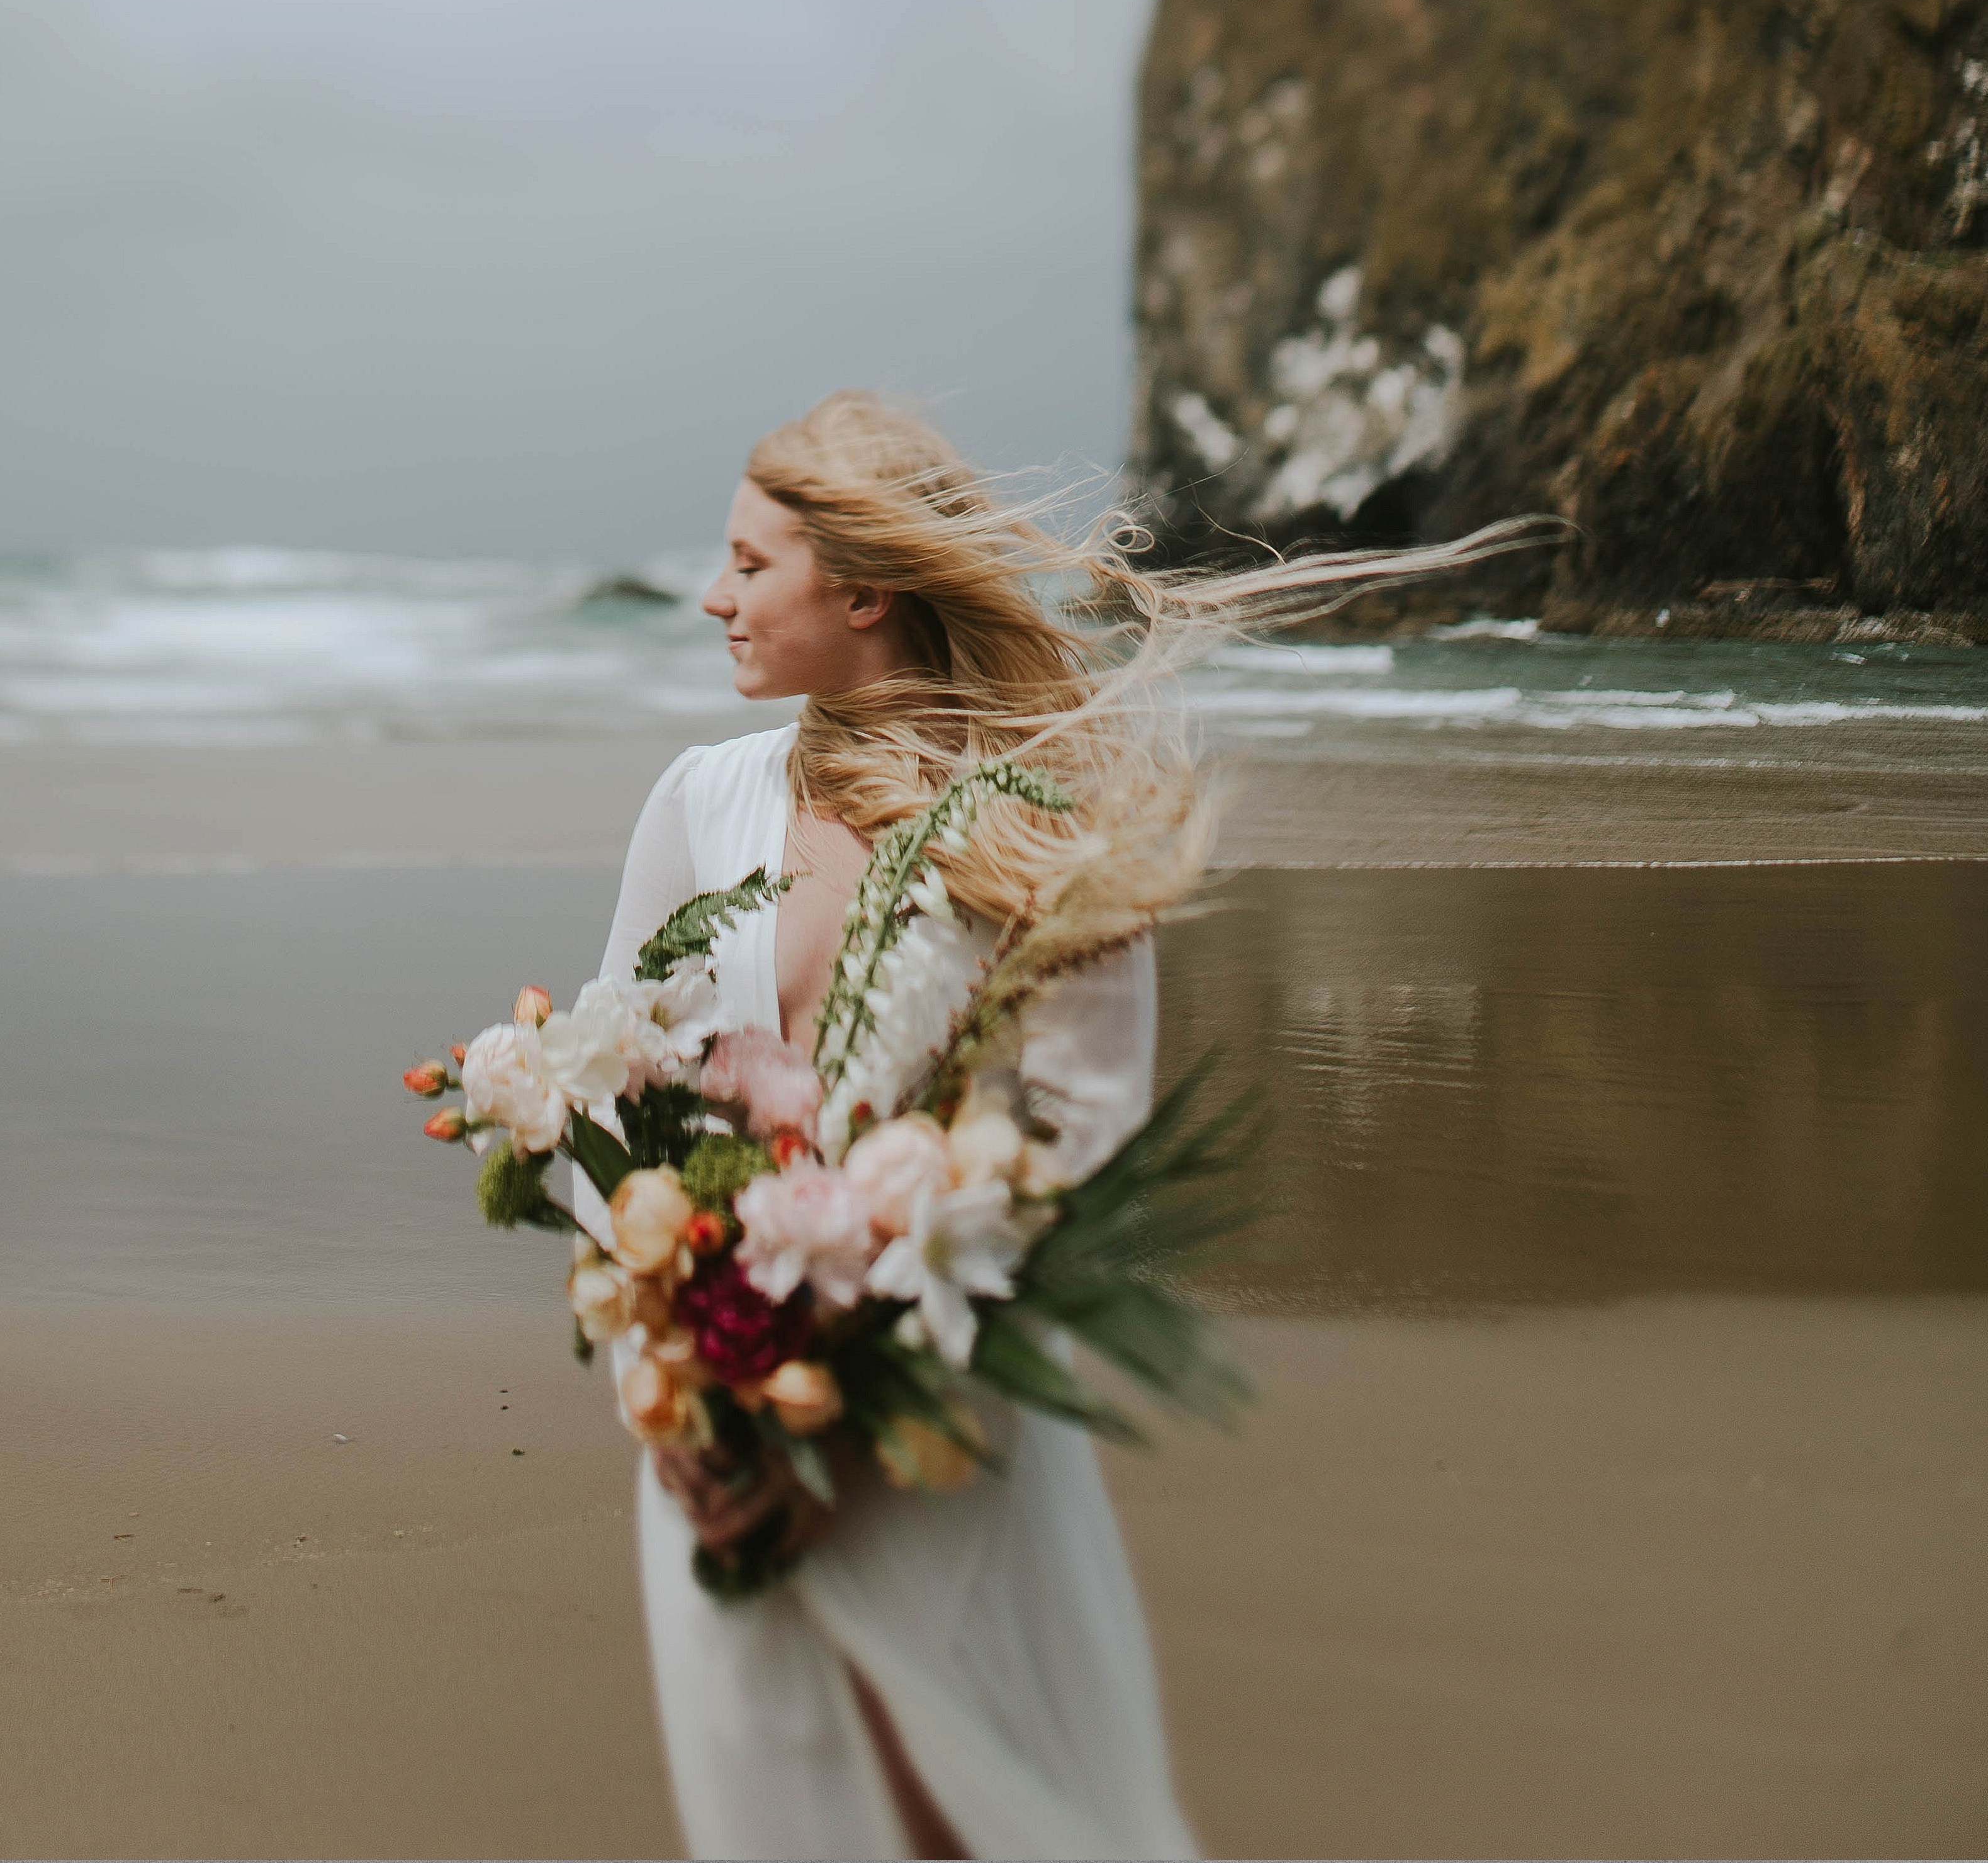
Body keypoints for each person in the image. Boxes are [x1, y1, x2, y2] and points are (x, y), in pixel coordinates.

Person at [588, 391, 1532, 1861]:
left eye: (746, 563)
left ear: (863, 586)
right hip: (717, 1434)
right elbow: (618, 1103)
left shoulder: (1034, 831)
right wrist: (683, 1386)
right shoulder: (699, 807)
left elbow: (1072, 1136)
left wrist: (858, 1356)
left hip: (940, 1425)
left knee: (976, 1807)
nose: (712, 595)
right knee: (780, 1808)